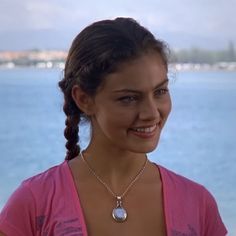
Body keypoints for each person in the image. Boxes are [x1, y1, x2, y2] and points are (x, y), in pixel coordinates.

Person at [0, 17, 227, 236]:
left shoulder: (198, 205)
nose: (151, 113)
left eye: (160, 92)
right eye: (128, 98)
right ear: (84, 99)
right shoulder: (33, 203)